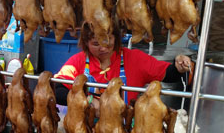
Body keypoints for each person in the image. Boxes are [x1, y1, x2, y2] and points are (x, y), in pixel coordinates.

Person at [54, 22, 193, 113]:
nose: (103, 48)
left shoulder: (133, 59)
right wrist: (89, 101)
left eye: (108, 42)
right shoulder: (79, 61)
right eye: (96, 44)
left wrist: (179, 65)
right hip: (87, 132)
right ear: (86, 43)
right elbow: (57, 90)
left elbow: (170, 75)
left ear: (116, 39)